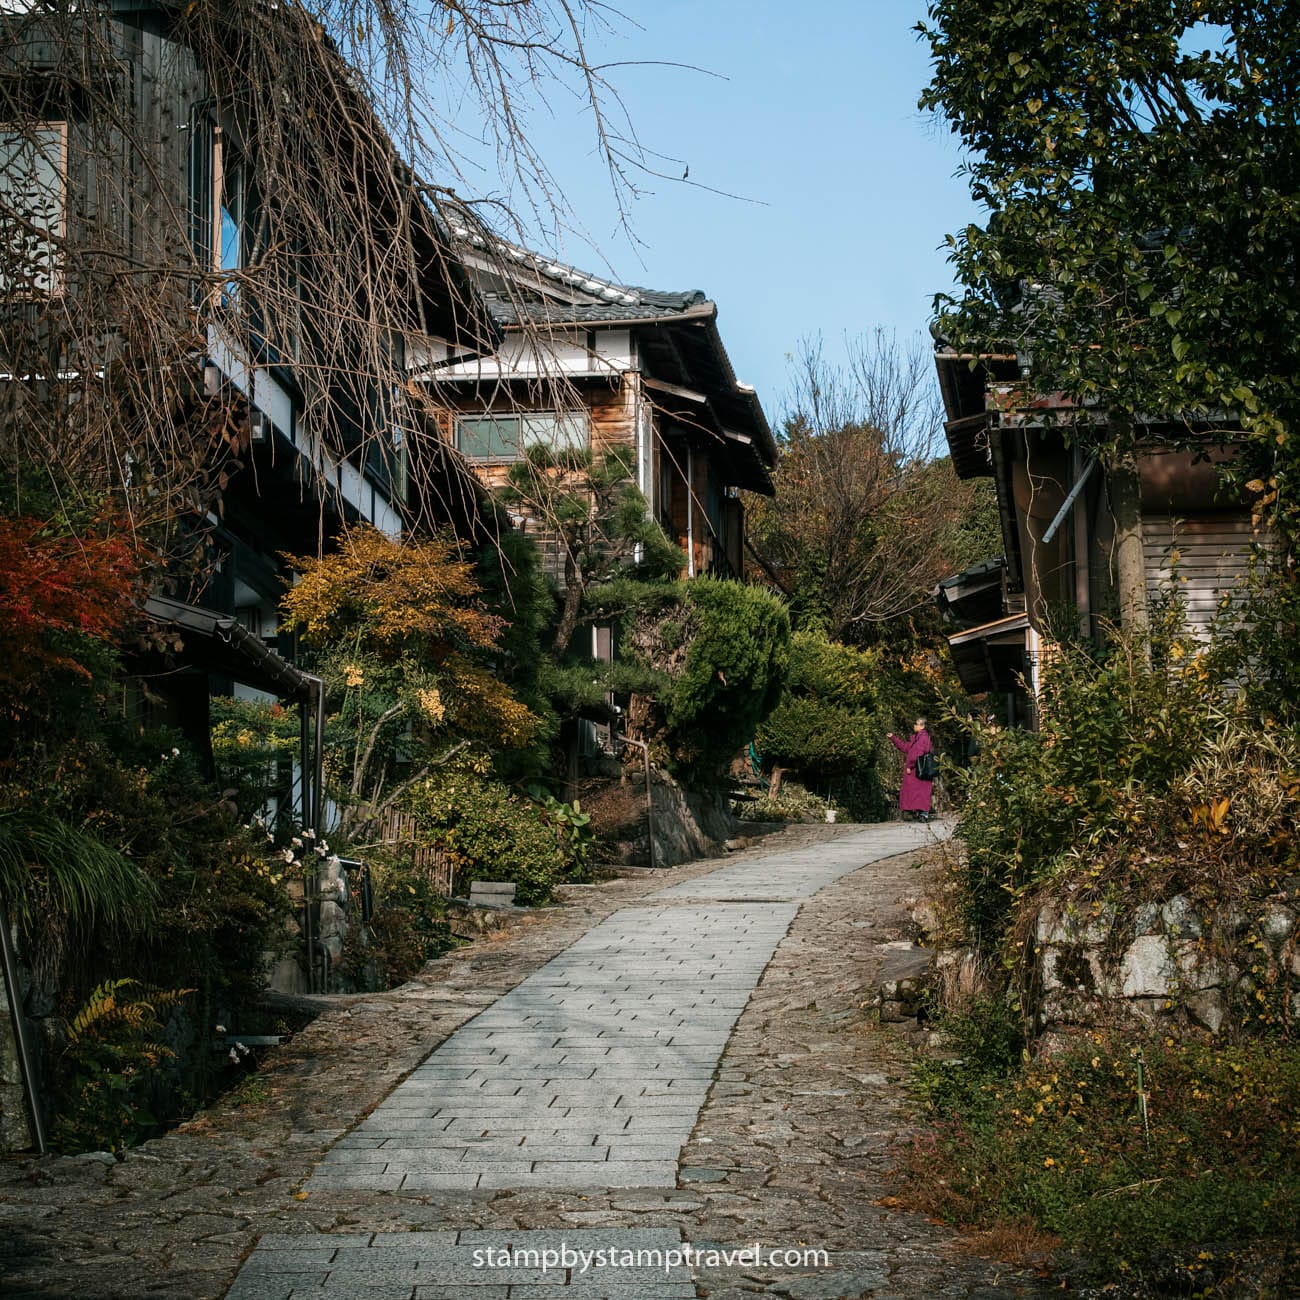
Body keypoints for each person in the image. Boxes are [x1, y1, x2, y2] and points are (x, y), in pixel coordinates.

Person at [888, 718, 934, 822]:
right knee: (917, 792)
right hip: (917, 770)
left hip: (919, 770)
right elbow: (905, 747)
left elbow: (918, 754)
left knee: (919, 792)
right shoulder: (916, 738)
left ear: (922, 726)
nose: (914, 725)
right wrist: (893, 738)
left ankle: (922, 814)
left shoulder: (923, 738)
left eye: (916, 724)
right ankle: (917, 813)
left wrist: (910, 766)